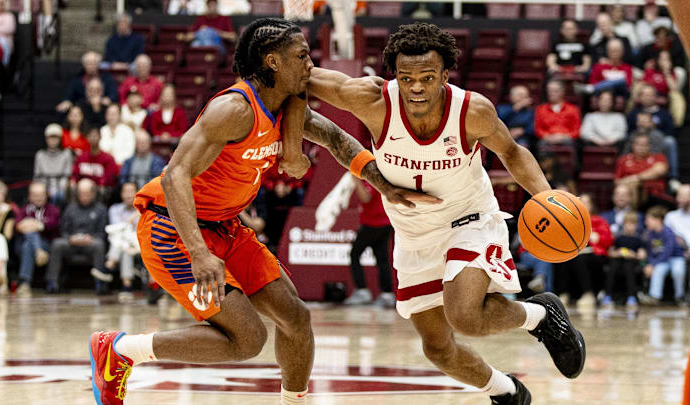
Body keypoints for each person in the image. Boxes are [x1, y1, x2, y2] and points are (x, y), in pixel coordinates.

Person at [88, 18, 431, 405]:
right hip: (174, 230)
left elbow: (336, 138)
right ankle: (120, 350)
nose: (310, 66)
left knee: (296, 319)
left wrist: (383, 184)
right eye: (301, 57)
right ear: (273, 62)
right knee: (247, 340)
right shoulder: (233, 109)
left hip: (226, 228)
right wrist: (198, 252)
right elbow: (173, 177)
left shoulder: (285, 109)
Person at [298, 22, 586, 403]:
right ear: (395, 76)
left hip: (469, 218)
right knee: (437, 348)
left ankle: (541, 317)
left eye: (427, 78)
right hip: (414, 235)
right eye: (407, 78)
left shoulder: (471, 110)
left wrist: (547, 198)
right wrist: (262, 56)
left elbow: (513, 152)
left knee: (465, 316)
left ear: (445, 75)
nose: (416, 87)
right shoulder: (372, 101)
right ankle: (506, 390)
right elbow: (300, 75)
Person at [46, 178, 108, 294]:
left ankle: (100, 283)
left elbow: (102, 233)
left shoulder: (101, 209)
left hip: (90, 243)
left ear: (93, 193)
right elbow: (63, 230)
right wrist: (70, 238)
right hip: (72, 243)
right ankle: (52, 282)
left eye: (87, 194)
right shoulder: (70, 208)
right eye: (81, 194)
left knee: (99, 244)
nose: (84, 197)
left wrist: (91, 238)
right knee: (57, 244)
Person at [554, 193, 612, 310]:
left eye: (586, 203)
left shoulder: (598, 220)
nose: (583, 205)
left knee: (579, 259)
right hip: (575, 253)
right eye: (581, 203)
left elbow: (608, 240)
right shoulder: (570, 221)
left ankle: (588, 294)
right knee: (563, 259)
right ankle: (564, 293)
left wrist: (597, 237)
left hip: (595, 253)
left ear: (591, 205)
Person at [343, 177, 394, 308]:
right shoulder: (378, 175)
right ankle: (387, 294)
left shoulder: (370, 179)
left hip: (373, 223)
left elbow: (366, 198)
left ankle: (362, 291)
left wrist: (356, 180)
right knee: (382, 259)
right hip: (384, 222)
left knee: (355, 254)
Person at [15, 182, 61, 298]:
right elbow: (18, 226)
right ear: (30, 196)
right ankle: (38, 251)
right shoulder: (24, 209)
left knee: (28, 243)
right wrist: (37, 225)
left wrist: (34, 224)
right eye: (35, 195)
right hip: (24, 245)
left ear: (46, 195)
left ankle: (24, 282)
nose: (38, 198)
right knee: (28, 242)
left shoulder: (53, 209)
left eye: (41, 195)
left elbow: (53, 224)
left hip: (47, 244)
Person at [641, 206, 686, 305]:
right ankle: (654, 296)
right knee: (658, 270)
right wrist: (650, 264)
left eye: (648, 219)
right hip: (661, 260)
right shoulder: (648, 234)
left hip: (675, 258)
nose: (646, 222)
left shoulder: (668, 232)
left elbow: (667, 252)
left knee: (678, 271)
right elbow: (649, 251)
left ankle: (680, 296)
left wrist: (653, 264)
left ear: (658, 220)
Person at [624, 111, 679, 189]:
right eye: (639, 121)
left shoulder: (657, 135)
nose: (641, 124)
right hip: (634, 164)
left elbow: (655, 157)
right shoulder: (633, 134)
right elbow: (625, 153)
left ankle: (673, 177)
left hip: (649, 166)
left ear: (651, 123)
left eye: (644, 121)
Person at [106, 182, 141, 303]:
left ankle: (109, 265)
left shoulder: (143, 210)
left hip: (138, 244)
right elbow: (117, 229)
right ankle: (127, 285)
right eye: (125, 191)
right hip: (122, 242)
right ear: (121, 194)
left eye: (131, 191)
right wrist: (131, 219)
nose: (128, 195)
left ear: (137, 193)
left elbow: (141, 232)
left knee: (123, 244)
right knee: (124, 246)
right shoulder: (114, 209)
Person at [603, 211, 644, 311]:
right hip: (617, 261)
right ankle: (607, 295)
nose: (630, 226)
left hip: (631, 263)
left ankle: (631, 296)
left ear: (636, 225)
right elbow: (610, 252)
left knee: (629, 267)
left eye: (633, 224)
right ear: (623, 224)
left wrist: (633, 254)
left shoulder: (638, 239)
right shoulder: (618, 238)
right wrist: (619, 253)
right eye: (627, 224)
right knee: (612, 267)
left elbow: (642, 255)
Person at [70, 128, 119, 202]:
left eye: (95, 136)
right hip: (82, 187)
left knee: (102, 190)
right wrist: (73, 181)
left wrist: (94, 185)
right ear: (87, 138)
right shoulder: (81, 157)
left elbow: (110, 178)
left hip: (99, 187)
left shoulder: (108, 158)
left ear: (100, 137)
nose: (93, 138)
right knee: (71, 187)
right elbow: (75, 174)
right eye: (91, 136)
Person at [615, 133, 668, 197]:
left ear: (650, 146)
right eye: (639, 145)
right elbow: (617, 181)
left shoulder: (658, 157)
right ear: (633, 145)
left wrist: (635, 178)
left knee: (633, 184)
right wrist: (629, 182)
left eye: (645, 145)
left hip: (653, 195)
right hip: (630, 192)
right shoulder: (624, 159)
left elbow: (659, 170)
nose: (642, 148)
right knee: (626, 188)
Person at [34, 123, 74, 206]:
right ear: (46, 139)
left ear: (60, 139)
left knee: (59, 196)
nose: (53, 140)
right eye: (50, 137)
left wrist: (58, 189)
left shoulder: (66, 154)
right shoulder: (40, 155)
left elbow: (67, 175)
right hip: (44, 185)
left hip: (61, 186)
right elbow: (37, 177)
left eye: (56, 138)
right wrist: (45, 189)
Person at [534, 80, 581, 147]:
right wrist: (548, 137)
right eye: (549, 91)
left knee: (571, 143)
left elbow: (576, 130)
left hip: (566, 139)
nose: (551, 93)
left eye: (555, 91)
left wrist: (565, 137)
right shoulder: (540, 109)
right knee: (541, 144)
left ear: (562, 92)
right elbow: (538, 129)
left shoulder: (573, 109)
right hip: (547, 139)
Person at [665, 184, 690, 250]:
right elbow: (666, 237)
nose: (677, 199)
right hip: (678, 253)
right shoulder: (670, 216)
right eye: (677, 195)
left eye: (681, 196)